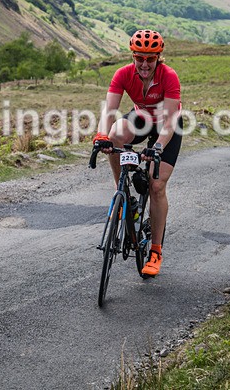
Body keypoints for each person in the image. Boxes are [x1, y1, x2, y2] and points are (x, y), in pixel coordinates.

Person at [94, 29, 183, 277]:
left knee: (156, 186)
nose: (144, 64)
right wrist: (101, 135)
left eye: (150, 59)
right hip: (142, 118)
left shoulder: (169, 77)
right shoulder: (123, 74)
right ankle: (123, 195)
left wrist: (156, 148)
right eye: (139, 58)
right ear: (133, 56)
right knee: (113, 136)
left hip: (167, 127)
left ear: (158, 58)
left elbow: (168, 124)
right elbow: (109, 109)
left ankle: (155, 251)